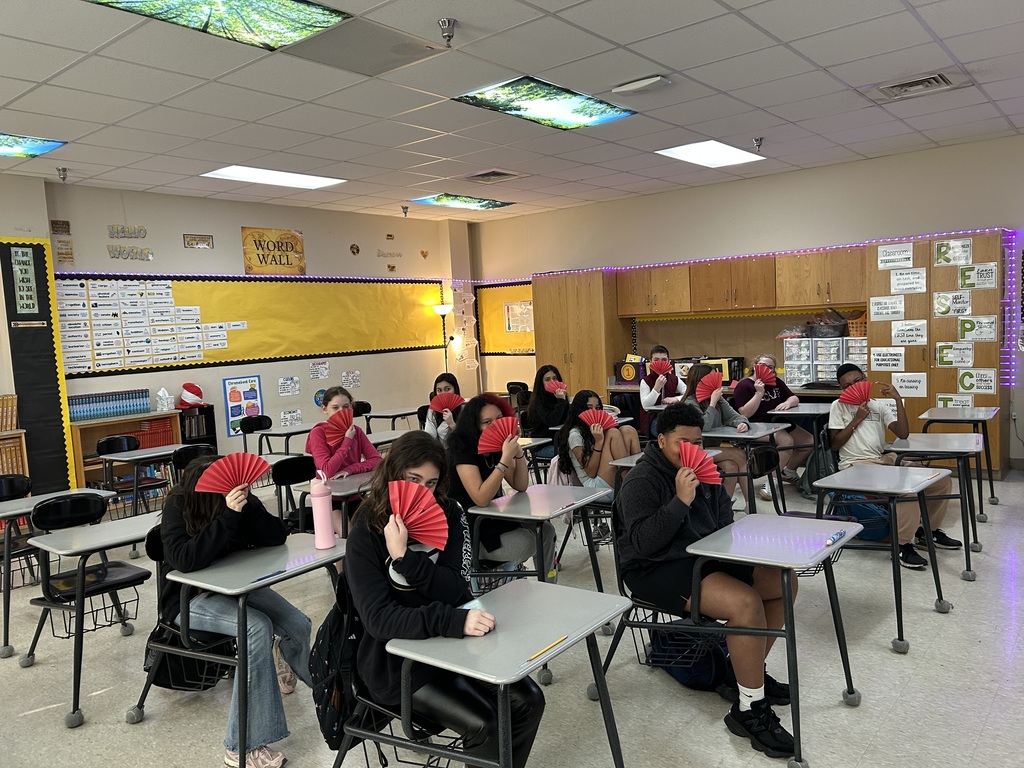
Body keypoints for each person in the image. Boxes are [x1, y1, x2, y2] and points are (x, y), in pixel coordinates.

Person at [346, 431, 545, 768]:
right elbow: (379, 620)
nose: (422, 492)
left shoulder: (449, 512)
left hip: (455, 643)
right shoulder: (367, 528)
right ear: (393, 476)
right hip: (397, 662)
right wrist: (452, 620)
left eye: (431, 483)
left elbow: (456, 588)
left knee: (530, 701)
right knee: (484, 724)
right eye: (412, 480)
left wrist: (406, 560)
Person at [617, 403, 796, 759]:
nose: (692, 450)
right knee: (745, 604)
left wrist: (742, 548)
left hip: (702, 557)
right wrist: (680, 501)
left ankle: (743, 674)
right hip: (653, 567)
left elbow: (723, 525)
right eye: (682, 443)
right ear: (662, 440)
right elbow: (642, 544)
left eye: (698, 442)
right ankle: (749, 708)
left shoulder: (705, 470)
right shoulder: (641, 480)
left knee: (783, 582)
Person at [161, 455, 312, 768]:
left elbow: (277, 536)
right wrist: (228, 517)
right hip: (189, 601)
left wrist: (250, 504)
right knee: (255, 627)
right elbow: (184, 560)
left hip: (237, 587)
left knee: (298, 624)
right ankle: (242, 746)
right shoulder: (177, 506)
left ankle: (330, 695)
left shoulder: (237, 499)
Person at [828, 363, 961, 568]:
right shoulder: (839, 406)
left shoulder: (878, 405)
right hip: (855, 466)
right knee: (907, 490)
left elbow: (903, 433)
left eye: (858, 381)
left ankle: (928, 532)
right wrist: (857, 419)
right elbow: (835, 444)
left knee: (940, 480)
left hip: (882, 459)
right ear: (841, 389)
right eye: (847, 386)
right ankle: (901, 545)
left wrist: (897, 399)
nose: (854, 387)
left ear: (865, 379)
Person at [448, 393, 556, 576]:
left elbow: (520, 485)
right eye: (487, 422)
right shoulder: (462, 451)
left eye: (499, 419)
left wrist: (518, 452)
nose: (496, 425)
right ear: (474, 426)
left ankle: (548, 584)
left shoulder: (496, 447)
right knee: (528, 542)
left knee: (546, 531)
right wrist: (505, 459)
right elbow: (481, 498)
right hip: (471, 528)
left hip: (493, 518)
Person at [732, 353, 812, 500]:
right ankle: (772, 481)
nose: (767, 369)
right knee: (786, 441)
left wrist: (788, 402)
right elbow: (745, 413)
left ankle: (788, 471)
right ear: (755, 366)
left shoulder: (775, 382)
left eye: (771, 367)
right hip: (756, 425)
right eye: (763, 365)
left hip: (779, 421)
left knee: (809, 441)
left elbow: (794, 397)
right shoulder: (744, 386)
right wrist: (759, 393)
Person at [305, 385, 382, 536]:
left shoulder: (356, 431)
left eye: (346, 407)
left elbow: (377, 460)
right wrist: (347, 441)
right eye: (335, 408)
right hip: (329, 497)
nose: (341, 412)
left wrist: (350, 469)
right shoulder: (318, 433)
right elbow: (327, 470)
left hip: (355, 494)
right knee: (347, 535)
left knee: (373, 532)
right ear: (324, 409)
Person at [683, 363, 751, 509]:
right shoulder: (690, 402)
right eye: (712, 376)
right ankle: (750, 504)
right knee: (740, 454)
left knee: (732, 466)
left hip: (713, 448)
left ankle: (722, 509)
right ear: (701, 380)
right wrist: (712, 403)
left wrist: (742, 423)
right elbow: (704, 426)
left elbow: (735, 416)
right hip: (695, 451)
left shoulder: (719, 399)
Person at [555, 390, 640, 491]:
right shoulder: (575, 435)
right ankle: (631, 486)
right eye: (589, 408)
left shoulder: (596, 427)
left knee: (628, 430)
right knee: (613, 433)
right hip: (594, 484)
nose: (594, 411)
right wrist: (599, 441)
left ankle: (639, 476)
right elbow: (591, 472)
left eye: (598, 408)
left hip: (606, 474)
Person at [525, 364, 569, 459]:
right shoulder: (538, 400)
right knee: (571, 455)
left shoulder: (560, 396)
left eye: (554, 378)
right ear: (541, 383)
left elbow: (568, 418)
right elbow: (552, 421)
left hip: (560, 442)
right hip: (542, 446)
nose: (552, 382)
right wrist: (561, 401)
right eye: (547, 379)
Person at [639, 345, 684, 437]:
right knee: (669, 433)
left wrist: (676, 399)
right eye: (656, 360)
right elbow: (646, 406)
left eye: (664, 360)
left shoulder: (674, 379)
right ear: (651, 361)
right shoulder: (645, 380)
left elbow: (689, 393)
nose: (660, 363)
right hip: (652, 419)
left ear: (669, 362)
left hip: (671, 416)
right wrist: (656, 388)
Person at [423, 373, 462, 445]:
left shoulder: (464, 410)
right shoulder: (433, 411)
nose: (443, 393)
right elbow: (430, 437)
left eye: (447, 389)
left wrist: (452, 424)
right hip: (440, 450)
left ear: (455, 389)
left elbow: (468, 440)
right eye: (439, 390)